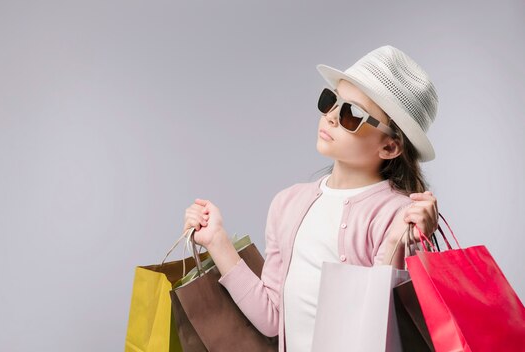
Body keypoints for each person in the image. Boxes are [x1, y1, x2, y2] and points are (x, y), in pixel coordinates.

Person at [182, 45, 440, 352]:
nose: (331, 117)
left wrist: (399, 242)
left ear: (389, 147)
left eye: (351, 114)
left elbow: (381, 329)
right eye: (331, 100)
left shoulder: (397, 214)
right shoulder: (287, 204)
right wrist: (218, 243)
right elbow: (272, 319)